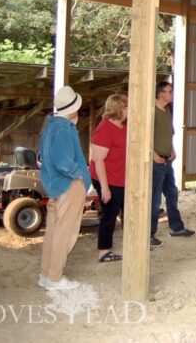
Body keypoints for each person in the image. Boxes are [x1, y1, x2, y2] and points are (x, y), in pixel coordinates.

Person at [38, 86, 91, 291]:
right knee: (65, 232)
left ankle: (46, 274)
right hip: (69, 185)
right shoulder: (62, 127)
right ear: (74, 110)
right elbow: (63, 162)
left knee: (53, 231)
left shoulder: (50, 125)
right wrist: (78, 173)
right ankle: (54, 277)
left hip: (54, 185)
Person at [151, 81, 194, 248]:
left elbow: (168, 133)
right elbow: (146, 137)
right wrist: (154, 156)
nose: (172, 94)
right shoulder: (152, 112)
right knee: (155, 200)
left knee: (172, 194)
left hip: (167, 160)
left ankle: (176, 228)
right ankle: (149, 235)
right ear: (161, 94)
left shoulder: (167, 111)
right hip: (156, 162)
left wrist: (172, 149)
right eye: (170, 91)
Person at [88, 93, 128, 263]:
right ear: (120, 109)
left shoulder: (124, 126)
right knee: (110, 213)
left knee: (128, 209)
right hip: (106, 177)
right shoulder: (105, 128)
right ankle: (104, 251)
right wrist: (105, 188)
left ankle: (134, 244)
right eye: (127, 106)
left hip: (120, 176)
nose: (130, 110)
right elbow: (98, 160)